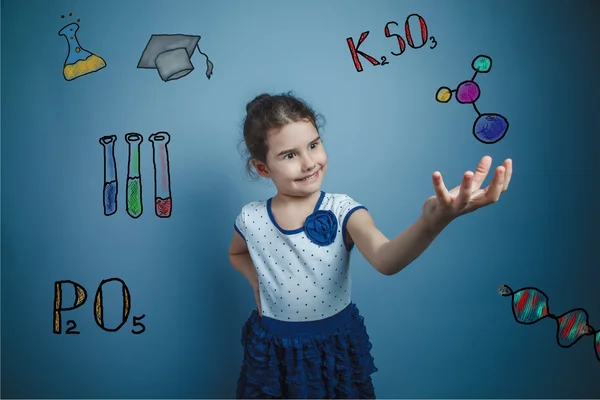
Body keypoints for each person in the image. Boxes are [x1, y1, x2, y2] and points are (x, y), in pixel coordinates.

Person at [229, 92, 513, 399]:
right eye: (289, 155)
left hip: (331, 349)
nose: (309, 162)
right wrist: (257, 282)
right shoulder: (251, 217)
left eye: (313, 145)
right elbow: (237, 252)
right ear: (263, 168)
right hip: (273, 349)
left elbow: (385, 259)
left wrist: (433, 221)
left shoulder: (343, 210)